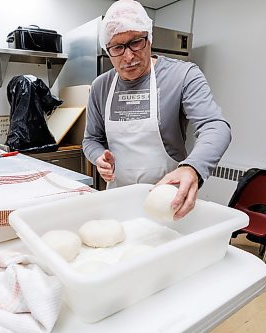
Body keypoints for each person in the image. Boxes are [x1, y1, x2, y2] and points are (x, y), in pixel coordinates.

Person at [82, 0, 231, 220]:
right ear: (108, 50)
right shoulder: (100, 86)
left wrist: (192, 168)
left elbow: (215, 126)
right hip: (118, 200)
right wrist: (98, 158)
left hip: (169, 201)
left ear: (149, 38)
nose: (129, 56)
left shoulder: (183, 75)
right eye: (117, 47)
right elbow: (91, 139)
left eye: (136, 42)